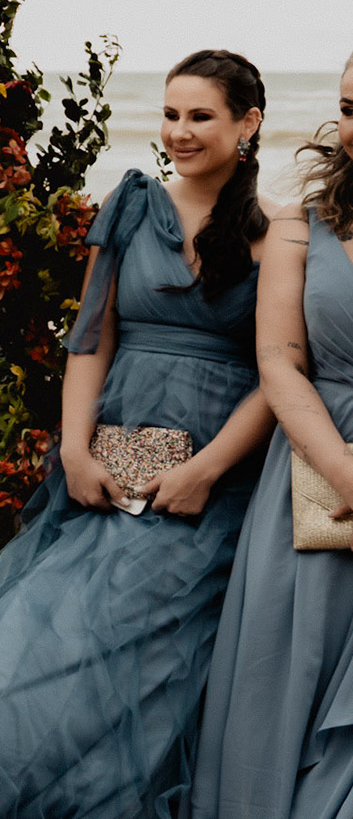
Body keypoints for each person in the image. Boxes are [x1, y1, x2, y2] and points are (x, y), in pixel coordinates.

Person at [0, 49, 277, 819]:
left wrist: (206, 470)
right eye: (170, 114)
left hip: (215, 484)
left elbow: (280, 372)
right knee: (33, 654)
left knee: (159, 672)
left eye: (200, 116)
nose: (179, 131)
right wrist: (73, 449)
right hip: (107, 472)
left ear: (249, 124)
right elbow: (90, 339)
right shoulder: (133, 207)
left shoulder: (277, 234)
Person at [188, 53, 353, 818]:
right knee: (281, 695)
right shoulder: (303, 222)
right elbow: (281, 362)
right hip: (316, 479)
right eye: (350, 110)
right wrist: (346, 473)